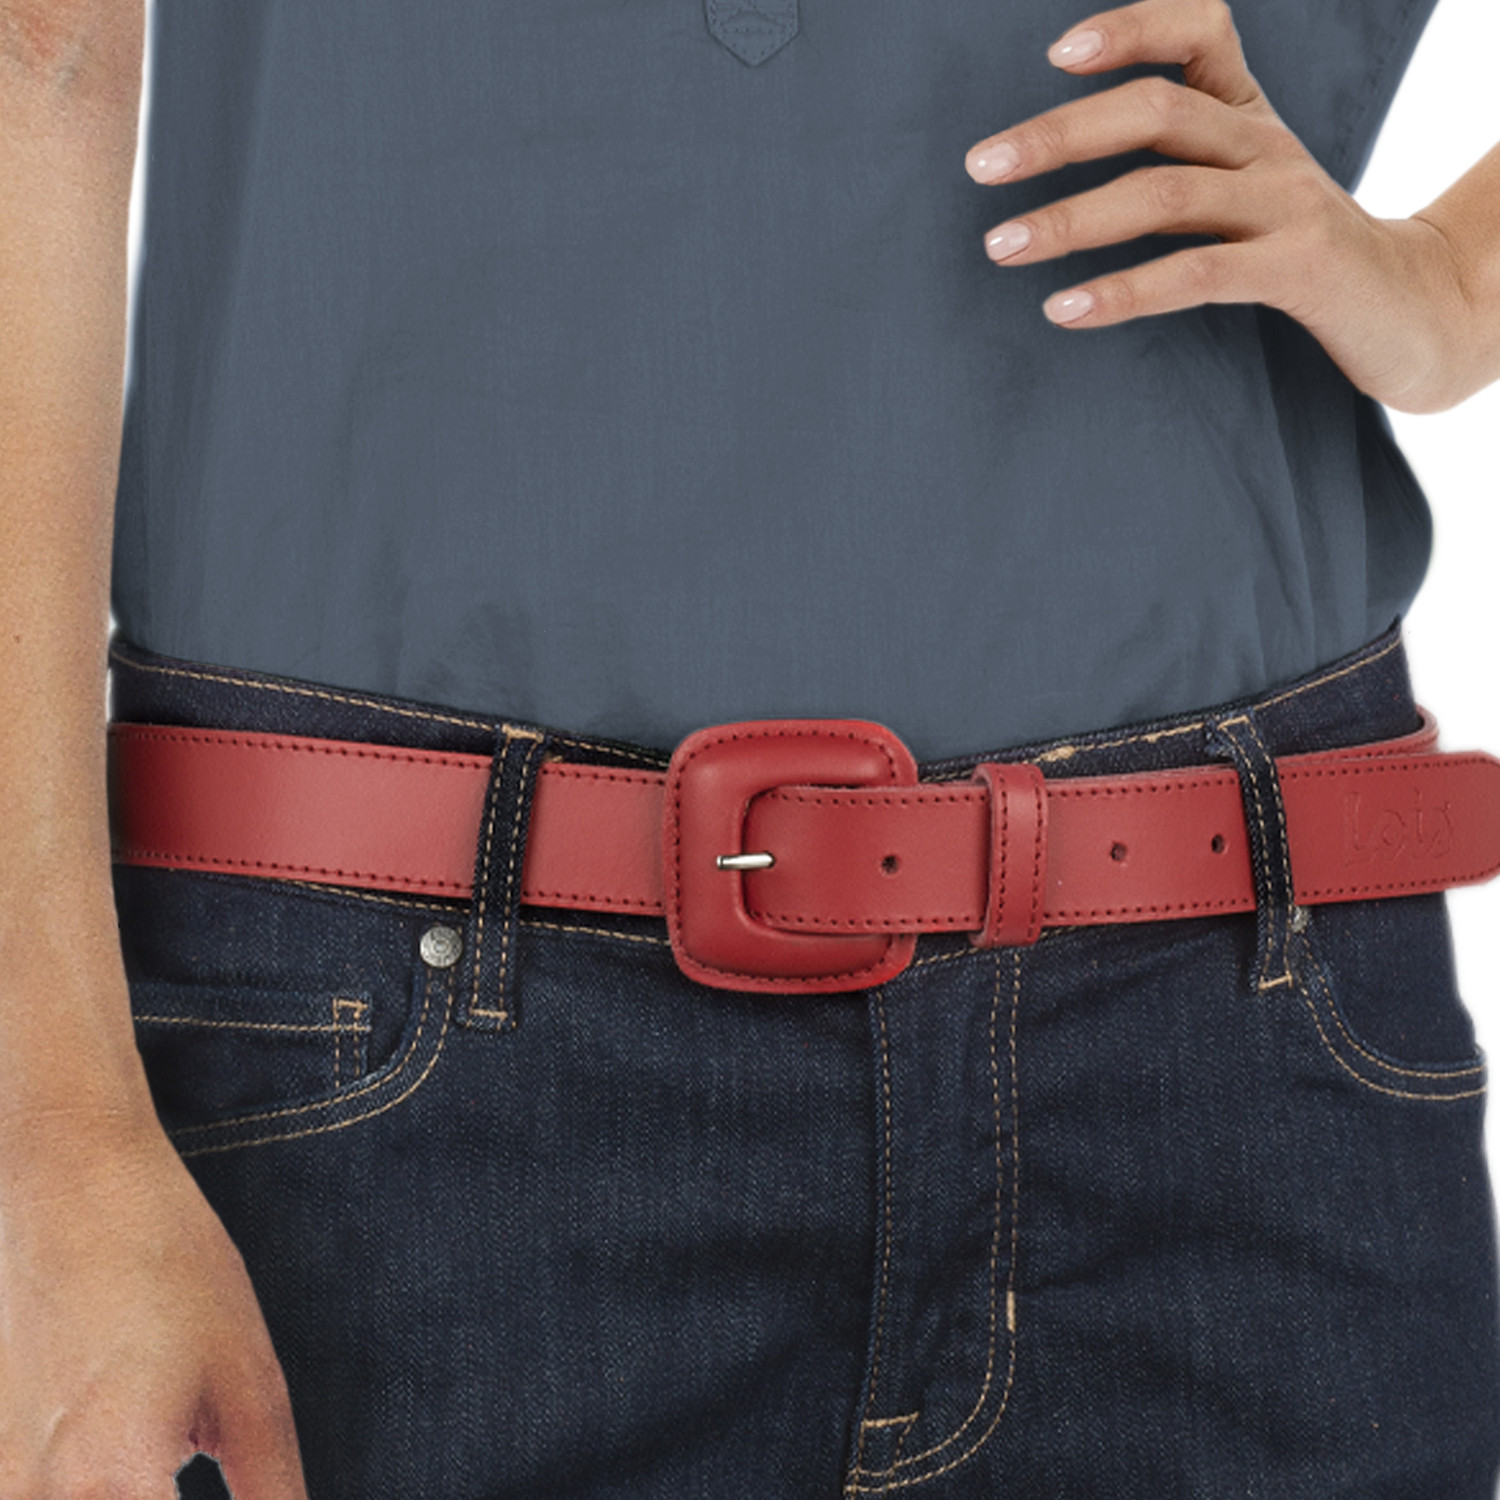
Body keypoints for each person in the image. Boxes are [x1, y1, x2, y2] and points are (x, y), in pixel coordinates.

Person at [2, 0, 1499, 1494]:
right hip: (370, 1032)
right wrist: (51, 1141)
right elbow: (37, 55)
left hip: (1240, 1019)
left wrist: (1450, 284)